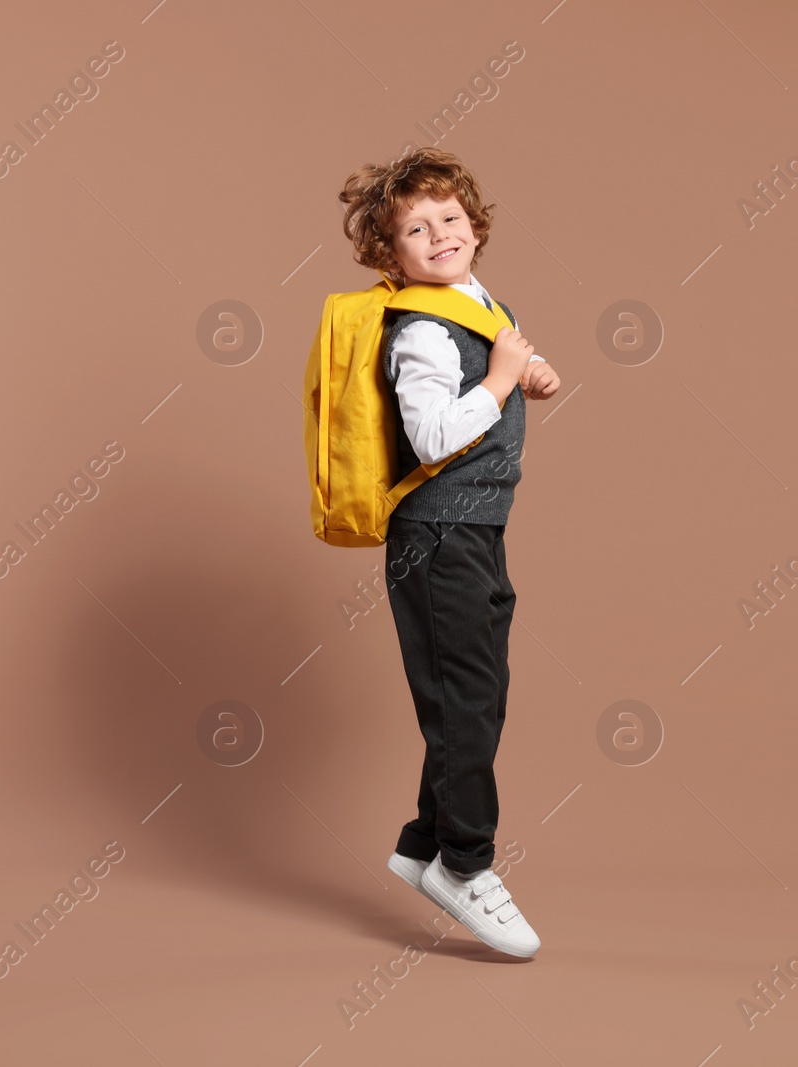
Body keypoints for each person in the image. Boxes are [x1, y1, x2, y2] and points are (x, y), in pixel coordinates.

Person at [336, 147, 561, 958]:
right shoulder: (422, 327)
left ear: (476, 225)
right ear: (388, 255)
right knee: (464, 701)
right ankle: (465, 864)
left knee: (481, 694)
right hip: (437, 535)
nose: (439, 236)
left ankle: (424, 843)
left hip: (475, 531)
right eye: (415, 229)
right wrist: (502, 378)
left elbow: (492, 356)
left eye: (451, 220)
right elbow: (433, 433)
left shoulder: (470, 299)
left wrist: (524, 370)